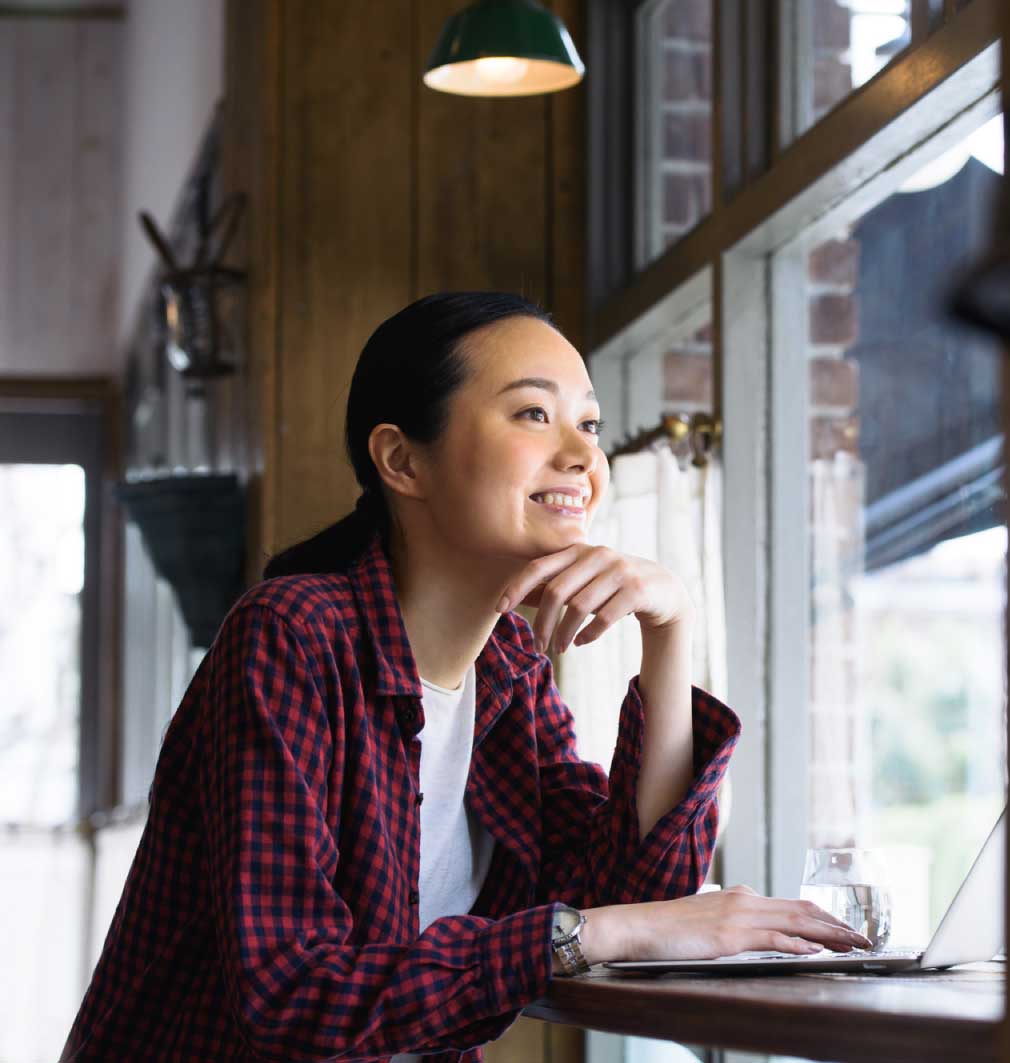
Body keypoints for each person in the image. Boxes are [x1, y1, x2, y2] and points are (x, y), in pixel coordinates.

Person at [61, 292, 870, 1062]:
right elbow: (291, 992)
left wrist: (670, 629)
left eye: (589, 421)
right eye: (533, 413)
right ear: (401, 460)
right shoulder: (294, 637)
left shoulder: (510, 673)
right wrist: (595, 932)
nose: (583, 453)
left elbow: (639, 889)